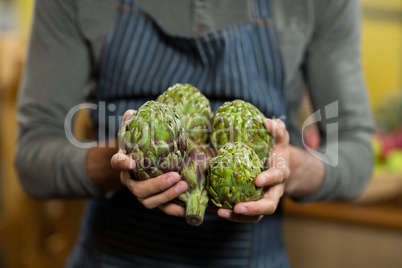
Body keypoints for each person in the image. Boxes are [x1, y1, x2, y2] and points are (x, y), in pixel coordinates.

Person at [16, 0, 374, 267]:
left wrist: (288, 166)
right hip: (113, 256)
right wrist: (126, 162)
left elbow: (355, 150)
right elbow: (33, 158)